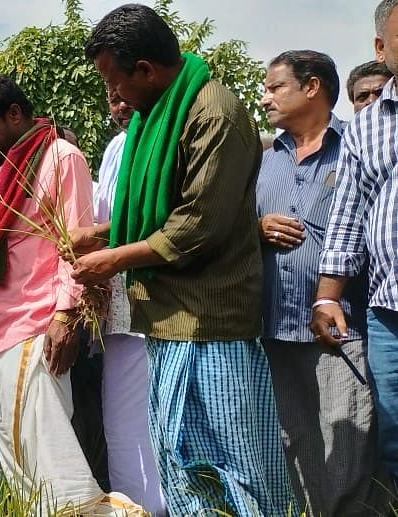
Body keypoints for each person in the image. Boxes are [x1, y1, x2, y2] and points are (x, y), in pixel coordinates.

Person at [76, 5, 296, 515]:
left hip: (210, 320)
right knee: (179, 456)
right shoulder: (156, 117)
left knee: (233, 462)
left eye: (117, 82)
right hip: (168, 317)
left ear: (146, 71)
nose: (116, 95)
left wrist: (113, 259)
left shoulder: (212, 112)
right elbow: (159, 206)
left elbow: (198, 222)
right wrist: (104, 232)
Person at [0, 74, 138, 515]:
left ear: (15, 115)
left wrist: (65, 317)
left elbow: (76, 245)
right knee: (14, 456)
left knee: (50, 455)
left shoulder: (61, 156)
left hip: (34, 323)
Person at [257, 49, 392, 515]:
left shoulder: (358, 143)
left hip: (341, 328)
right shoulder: (264, 159)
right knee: (296, 445)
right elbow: (230, 225)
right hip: (276, 328)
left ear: (312, 87)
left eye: (275, 87)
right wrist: (255, 228)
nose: (264, 98)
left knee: (349, 444)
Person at [315, 0, 398, 488]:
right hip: (390, 311)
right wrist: (327, 295)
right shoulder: (368, 124)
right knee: (394, 435)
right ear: (381, 47)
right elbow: (347, 217)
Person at [92, 86, 164, 515]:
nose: (120, 106)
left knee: (165, 419)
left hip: (164, 301)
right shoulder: (116, 147)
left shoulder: (170, 136)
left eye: (126, 95)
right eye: (112, 98)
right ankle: (133, 507)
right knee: (122, 421)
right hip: (117, 305)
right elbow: (107, 215)